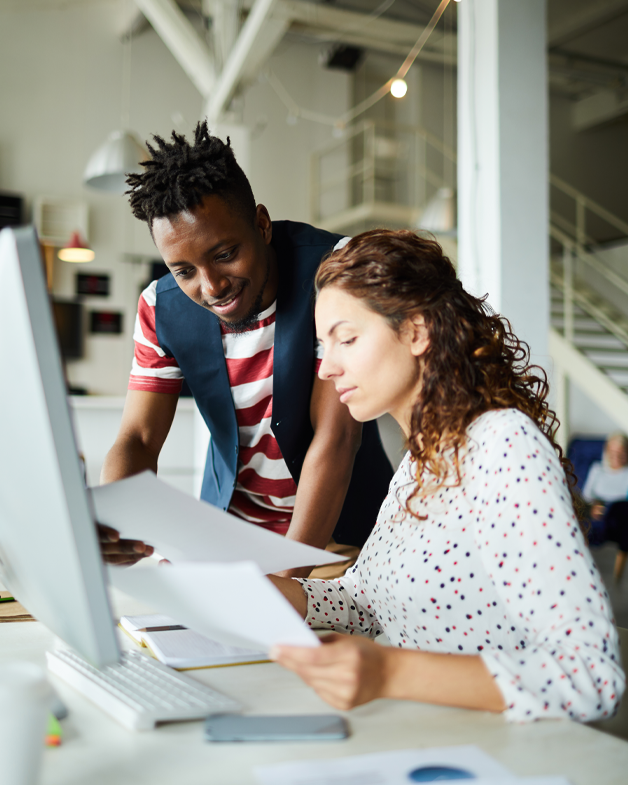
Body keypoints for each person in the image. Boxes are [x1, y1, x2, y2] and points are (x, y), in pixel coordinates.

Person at [268, 229, 625, 723]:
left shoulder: (501, 446)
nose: (326, 368)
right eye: (322, 346)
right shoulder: (418, 464)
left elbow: (591, 677)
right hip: (416, 734)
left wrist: (390, 672)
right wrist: (267, 592)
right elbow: (365, 601)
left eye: (346, 339)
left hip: (492, 756)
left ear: (416, 331)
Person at [98, 122, 393, 575]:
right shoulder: (160, 308)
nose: (211, 286)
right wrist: (118, 519)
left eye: (224, 254)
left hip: (341, 540)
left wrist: (284, 580)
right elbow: (137, 438)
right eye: (184, 271)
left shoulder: (335, 272)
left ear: (261, 223)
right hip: (228, 534)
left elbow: (334, 439)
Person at [582, 432, 628, 582]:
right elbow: (586, 496)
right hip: (599, 508)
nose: (616, 456)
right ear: (606, 451)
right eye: (613, 451)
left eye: (621, 452)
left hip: (621, 511)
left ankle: (617, 579)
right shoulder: (597, 469)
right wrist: (592, 507)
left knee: (622, 510)